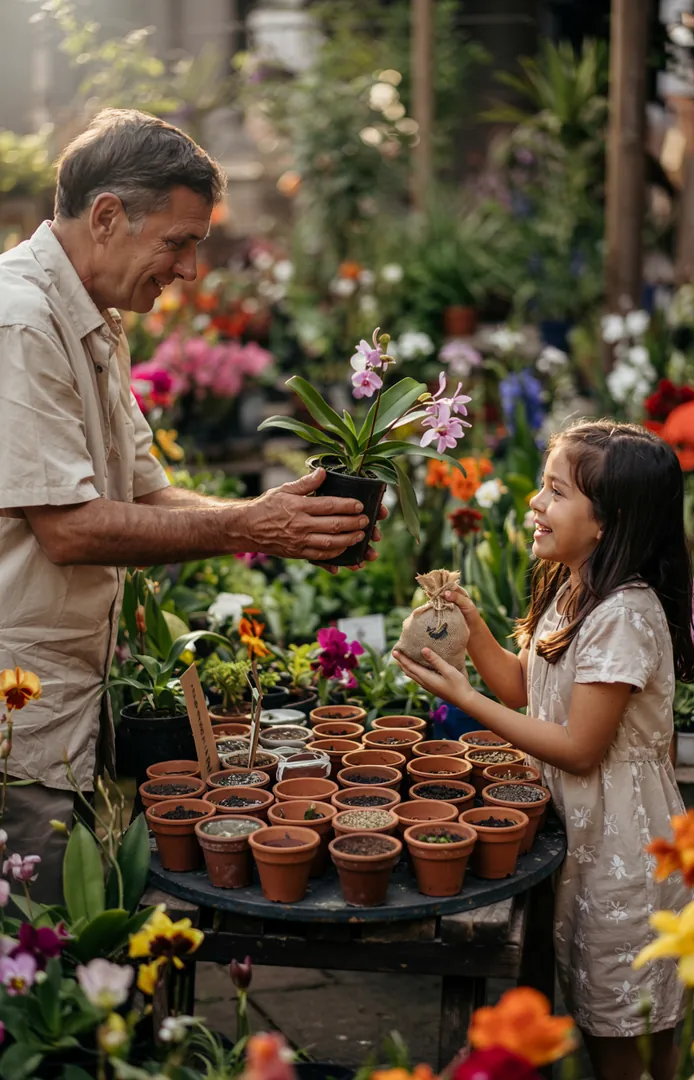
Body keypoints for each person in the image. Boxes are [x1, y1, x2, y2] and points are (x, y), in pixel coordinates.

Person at [0, 108, 382, 903]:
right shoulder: (22, 322)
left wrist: (282, 520)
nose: (191, 272)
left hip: (68, 699)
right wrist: (249, 524)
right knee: (42, 962)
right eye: (179, 242)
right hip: (17, 715)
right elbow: (68, 532)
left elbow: (146, 492)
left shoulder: (92, 315)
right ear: (106, 217)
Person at [393, 419, 694, 1080]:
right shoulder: (571, 589)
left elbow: (580, 747)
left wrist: (464, 701)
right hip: (584, 845)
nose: (535, 502)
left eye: (556, 492)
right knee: (597, 1024)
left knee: (630, 1047)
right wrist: (472, 630)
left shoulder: (623, 613)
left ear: (607, 522)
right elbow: (528, 689)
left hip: (626, 859)